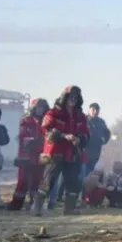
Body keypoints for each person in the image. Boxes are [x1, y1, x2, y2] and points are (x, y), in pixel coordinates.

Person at [34, 85, 90, 216]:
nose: (73, 100)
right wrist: (63, 135)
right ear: (64, 98)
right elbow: (45, 129)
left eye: (76, 98)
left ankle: (69, 209)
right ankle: (36, 208)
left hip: (73, 153)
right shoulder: (53, 112)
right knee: (48, 180)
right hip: (55, 152)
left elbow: (86, 132)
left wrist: (80, 139)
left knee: (73, 181)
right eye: (71, 97)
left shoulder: (80, 116)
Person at [8, 98, 48, 211]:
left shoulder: (46, 121)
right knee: (23, 181)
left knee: (37, 180)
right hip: (26, 156)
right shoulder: (26, 120)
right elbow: (23, 136)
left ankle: (34, 204)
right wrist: (33, 140)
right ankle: (16, 204)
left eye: (42, 107)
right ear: (33, 108)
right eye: (38, 107)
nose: (40, 110)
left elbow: (48, 136)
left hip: (40, 155)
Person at [84, 103, 111, 175]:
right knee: (83, 170)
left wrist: (103, 141)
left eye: (97, 110)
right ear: (89, 110)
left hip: (96, 151)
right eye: (93, 109)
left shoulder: (101, 122)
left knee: (90, 170)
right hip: (85, 149)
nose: (95, 112)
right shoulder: (84, 120)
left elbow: (107, 133)